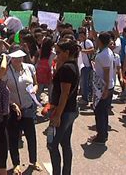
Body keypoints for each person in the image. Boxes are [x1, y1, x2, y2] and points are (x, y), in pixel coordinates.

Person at [5, 46, 42, 174]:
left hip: (28, 107)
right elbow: (2, 91)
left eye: (20, 57)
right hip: (13, 109)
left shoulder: (29, 67)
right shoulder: (6, 71)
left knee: (31, 136)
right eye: (15, 57)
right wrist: (12, 104)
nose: (18, 60)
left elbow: (36, 83)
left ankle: (34, 160)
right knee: (14, 137)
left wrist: (35, 89)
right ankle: (16, 164)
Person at [48, 39, 81, 175]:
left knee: (52, 144)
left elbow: (64, 93)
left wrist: (57, 115)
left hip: (65, 111)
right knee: (65, 143)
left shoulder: (67, 68)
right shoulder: (71, 65)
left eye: (58, 52)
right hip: (70, 110)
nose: (56, 55)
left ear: (67, 53)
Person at [89, 32, 115, 144]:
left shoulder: (104, 55)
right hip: (104, 86)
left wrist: (105, 90)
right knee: (103, 112)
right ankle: (103, 134)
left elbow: (106, 72)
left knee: (100, 112)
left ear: (100, 41)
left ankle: (101, 136)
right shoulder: (105, 51)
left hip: (103, 87)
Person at [78, 29, 94, 104]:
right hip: (83, 65)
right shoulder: (81, 43)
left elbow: (92, 50)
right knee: (85, 82)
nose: (80, 37)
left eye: (82, 35)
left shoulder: (87, 42)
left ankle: (85, 99)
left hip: (87, 65)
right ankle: (87, 97)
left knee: (85, 83)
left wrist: (82, 50)